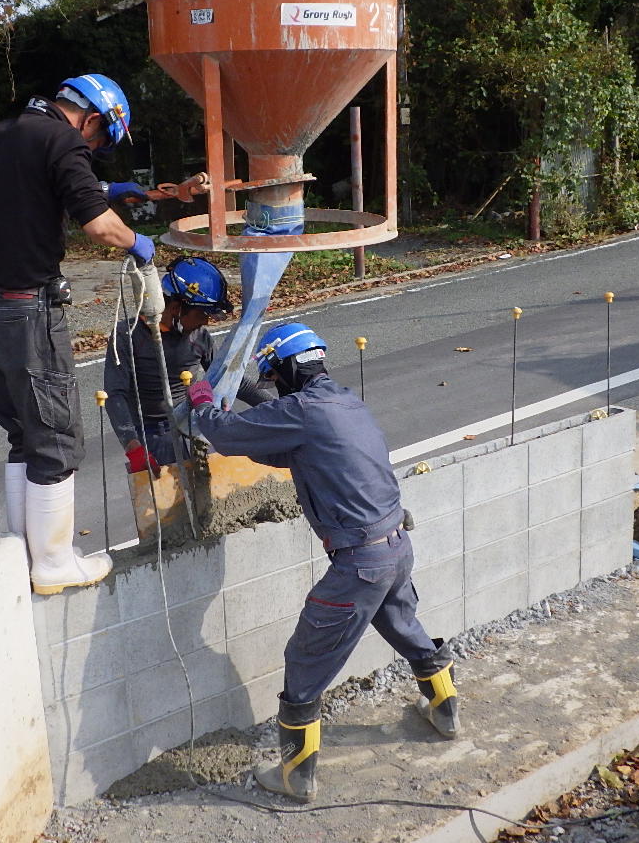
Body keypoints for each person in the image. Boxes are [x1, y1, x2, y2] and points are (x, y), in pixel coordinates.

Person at [186, 321, 461, 801]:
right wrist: (253, 402)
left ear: (289, 369)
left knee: (305, 659)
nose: (274, 385)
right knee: (400, 622)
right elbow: (292, 448)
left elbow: (226, 436)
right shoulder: (344, 402)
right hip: (395, 546)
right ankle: (444, 710)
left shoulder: (304, 411)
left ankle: (296, 776)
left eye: (274, 377)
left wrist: (203, 403)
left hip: (360, 564)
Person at [0, 73, 154, 596]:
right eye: (98, 143)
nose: (91, 151)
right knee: (57, 437)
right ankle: (52, 564)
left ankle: (28, 553)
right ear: (91, 119)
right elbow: (98, 226)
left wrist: (109, 190)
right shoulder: (64, 139)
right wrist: (139, 242)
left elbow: (39, 188)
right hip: (26, 310)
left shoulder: (7, 131)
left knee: (24, 434)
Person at [104, 256, 273, 472]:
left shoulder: (199, 337)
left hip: (192, 419)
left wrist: (275, 408)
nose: (205, 322)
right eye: (202, 314)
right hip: (150, 430)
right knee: (170, 496)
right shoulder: (127, 335)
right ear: (176, 308)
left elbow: (230, 377)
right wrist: (132, 446)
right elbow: (115, 394)